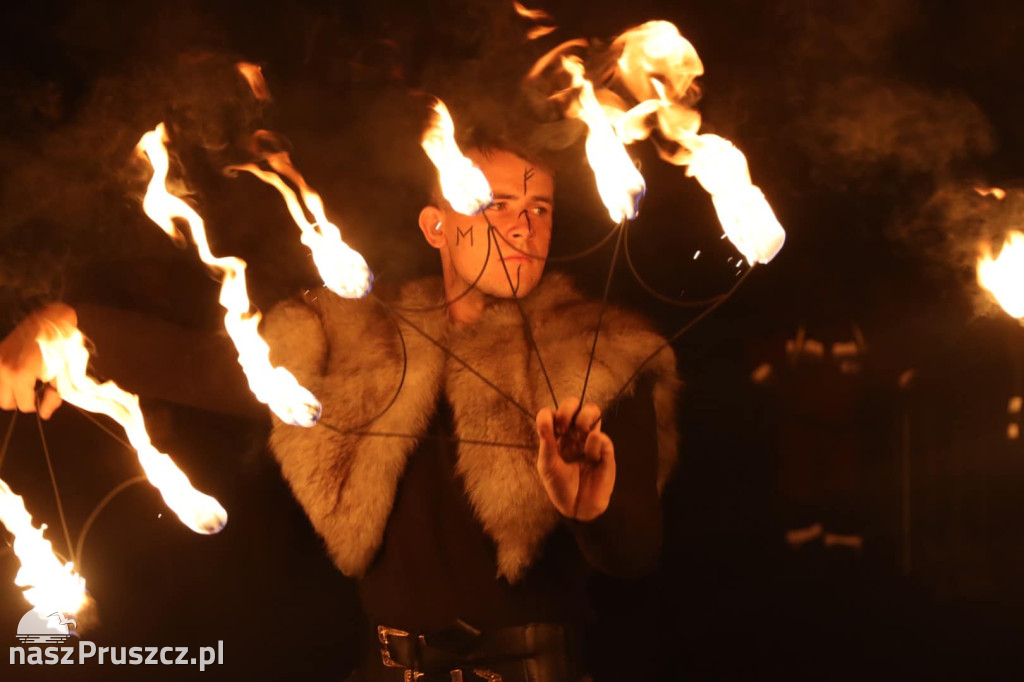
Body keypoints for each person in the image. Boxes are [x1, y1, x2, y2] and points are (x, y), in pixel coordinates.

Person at [0, 141, 680, 681]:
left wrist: (594, 509)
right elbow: (209, 367)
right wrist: (72, 329)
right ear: (437, 226)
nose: (523, 225)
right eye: (497, 203)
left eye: (541, 207)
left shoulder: (603, 356)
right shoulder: (354, 337)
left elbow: (635, 555)